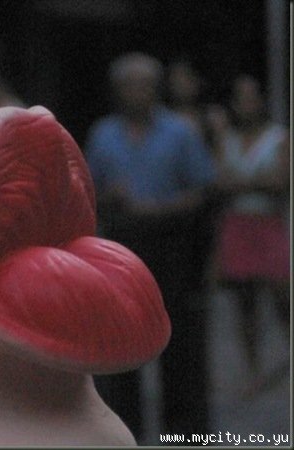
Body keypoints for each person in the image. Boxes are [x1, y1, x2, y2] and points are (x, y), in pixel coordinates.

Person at [84, 52, 216, 440]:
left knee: (180, 336)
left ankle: (186, 430)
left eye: (143, 85)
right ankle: (125, 429)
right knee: (122, 336)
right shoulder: (103, 134)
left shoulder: (179, 131)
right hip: (123, 243)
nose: (136, 93)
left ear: (155, 89)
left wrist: (162, 208)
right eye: (128, 86)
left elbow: (204, 190)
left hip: (173, 242)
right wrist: (110, 198)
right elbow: (88, 191)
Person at [211, 75, 290, 394]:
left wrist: (240, 183)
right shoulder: (227, 139)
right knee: (245, 303)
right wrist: (257, 182)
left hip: (267, 223)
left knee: (282, 296)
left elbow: (280, 182)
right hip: (238, 225)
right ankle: (253, 370)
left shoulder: (277, 138)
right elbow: (219, 183)